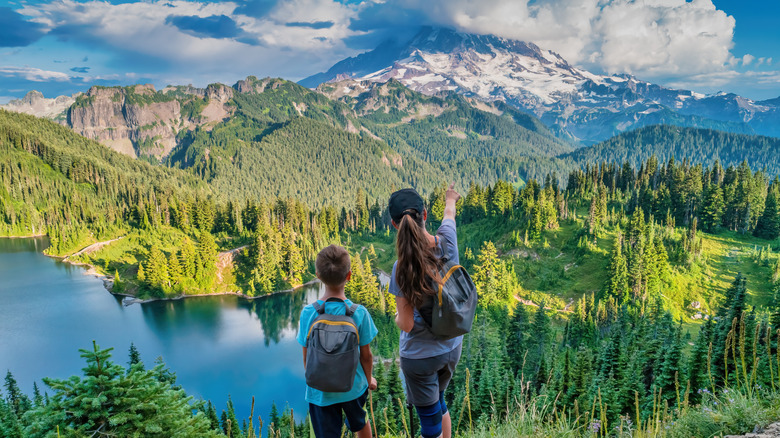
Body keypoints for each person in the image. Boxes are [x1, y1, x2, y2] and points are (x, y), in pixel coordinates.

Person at [388, 183, 462, 438]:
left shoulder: (401, 267)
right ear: (425, 215)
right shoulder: (447, 241)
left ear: (395, 224)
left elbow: (407, 324)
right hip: (452, 347)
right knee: (439, 402)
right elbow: (449, 215)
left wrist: (397, 316)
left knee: (429, 425)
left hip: (420, 357)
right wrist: (450, 198)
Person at [297, 245, 378, 438]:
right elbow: (366, 356)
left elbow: (306, 357)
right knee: (360, 422)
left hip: (320, 392)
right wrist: (368, 381)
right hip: (353, 388)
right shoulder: (359, 313)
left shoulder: (309, 313)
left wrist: (316, 379)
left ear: (318, 275)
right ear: (349, 275)